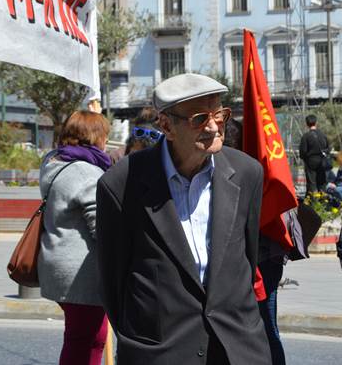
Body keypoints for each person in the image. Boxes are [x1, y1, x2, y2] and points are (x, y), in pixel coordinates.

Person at [96, 73, 271, 365]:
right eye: (200, 118)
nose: (214, 126)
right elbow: (113, 283)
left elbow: (247, 258)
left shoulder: (247, 173)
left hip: (237, 349)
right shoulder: (121, 184)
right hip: (161, 352)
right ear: (166, 125)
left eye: (219, 114)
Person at [38, 111, 112, 365]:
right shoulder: (84, 172)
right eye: (104, 135)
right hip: (80, 272)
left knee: (88, 336)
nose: (106, 142)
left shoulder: (54, 162)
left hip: (57, 263)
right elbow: (101, 225)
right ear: (94, 136)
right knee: (84, 339)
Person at [223, 117, 288, 365]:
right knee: (262, 326)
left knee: (264, 326)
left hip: (262, 257)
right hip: (262, 258)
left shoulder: (248, 170)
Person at [298, 115, 330, 196]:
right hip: (322, 162)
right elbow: (328, 148)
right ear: (316, 123)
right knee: (322, 183)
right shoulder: (323, 135)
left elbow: (302, 152)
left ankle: (313, 202)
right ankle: (323, 202)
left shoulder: (306, 136)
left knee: (311, 183)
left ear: (307, 124)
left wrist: (305, 158)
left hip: (310, 162)